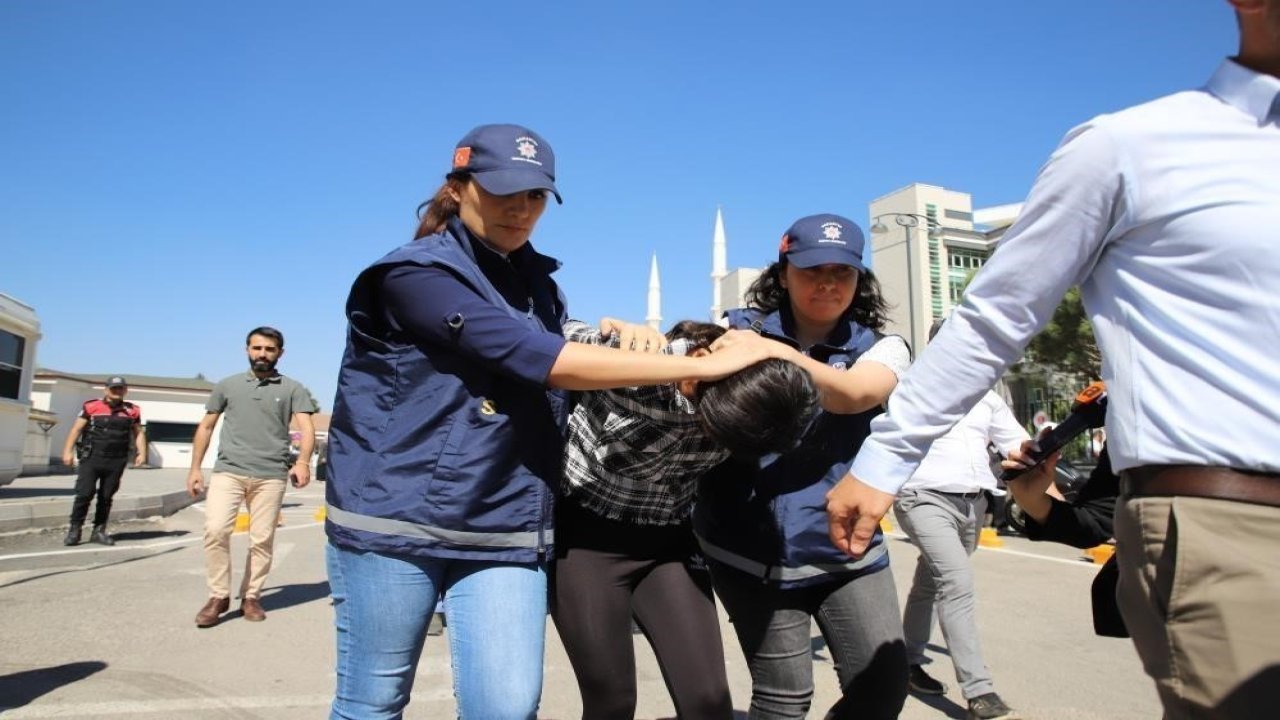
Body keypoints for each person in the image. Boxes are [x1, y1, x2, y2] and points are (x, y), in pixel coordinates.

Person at [827, 3, 1280, 717]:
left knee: (940, 584)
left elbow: (1007, 430)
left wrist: (1029, 460)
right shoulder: (1132, 146)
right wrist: (884, 460)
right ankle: (971, 684)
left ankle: (922, 661)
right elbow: (995, 317)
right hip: (1239, 524)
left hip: (975, 496)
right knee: (954, 583)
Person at [323, 123, 787, 720]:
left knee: (509, 707)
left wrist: (617, 329)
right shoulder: (413, 276)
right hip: (395, 517)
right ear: (457, 187)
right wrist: (689, 363)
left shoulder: (541, 288)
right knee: (374, 699)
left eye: (536, 196)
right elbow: (527, 354)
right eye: (502, 191)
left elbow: (562, 342)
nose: (521, 209)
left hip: (505, 520)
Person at [694, 213, 911, 720]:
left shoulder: (882, 346)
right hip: (749, 550)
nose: (828, 283)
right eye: (813, 270)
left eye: (843, 272)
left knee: (882, 688)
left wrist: (768, 353)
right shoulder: (734, 330)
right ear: (784, 272)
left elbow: (856, 395)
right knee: (783, 699)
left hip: (846, 548)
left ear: (860, 280)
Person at [552, 318, 820, 720]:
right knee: (612, 701)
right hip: (587, 540)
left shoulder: (759, 399)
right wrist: (611, 331)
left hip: (669, 543)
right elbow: (553, 340)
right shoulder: (638, 360)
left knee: (709, 703)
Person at [894, 320, 1029, 718]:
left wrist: (1053, 438)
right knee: (956, 582)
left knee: (931, 581)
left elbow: (1016, 443)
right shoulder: (911, 385)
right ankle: (979, 690)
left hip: (973, 504)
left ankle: (908, 663)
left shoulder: (986, 397)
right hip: (922, 497)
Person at [186, 326, 317, 628]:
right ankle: (218, 596)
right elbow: (206, 427)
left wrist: (303, 462)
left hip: (271, 474)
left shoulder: (292, 388)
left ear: (280, 353)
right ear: (247, 350)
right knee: (216, 530)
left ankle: (251, 596)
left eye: (270, 349)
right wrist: (195, 469)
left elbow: (307, 428)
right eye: (257, 348)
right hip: (228, 471)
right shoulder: (227, 385)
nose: (263, 354)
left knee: (262, 539)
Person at [60, 376, 146, 546]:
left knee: (106, 497)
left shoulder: (132, 411)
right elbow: (76, 429)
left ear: (125, 390)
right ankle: (74, 530)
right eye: (114, 388)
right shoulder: (92, 406)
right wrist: (67, 451)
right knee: (84, 494)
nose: (117, 391)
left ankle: (98, 531)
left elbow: (139, 433)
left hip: (116, 460)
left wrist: (142, 453)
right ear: (106, 390)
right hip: (92, 458)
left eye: (120, 388)